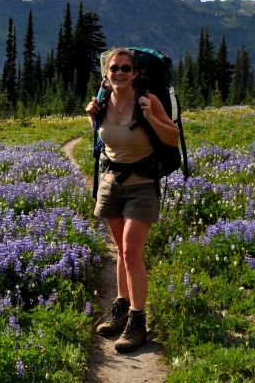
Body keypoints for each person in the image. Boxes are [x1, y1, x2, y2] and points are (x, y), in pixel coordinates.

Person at [85, 47, 181, 353]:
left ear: (135, 73)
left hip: (142, 183)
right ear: (107, 72)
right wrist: (92, 118)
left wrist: (151, 117)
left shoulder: (147, 101)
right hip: (112, 180)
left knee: (130, 250)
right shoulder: (102, 101)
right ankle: (121, 307)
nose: (120, 73)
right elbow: (104, 139)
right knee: (120, 252)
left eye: (126, 68)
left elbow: (172, 136)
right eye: (114, 68)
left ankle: (138, 321)